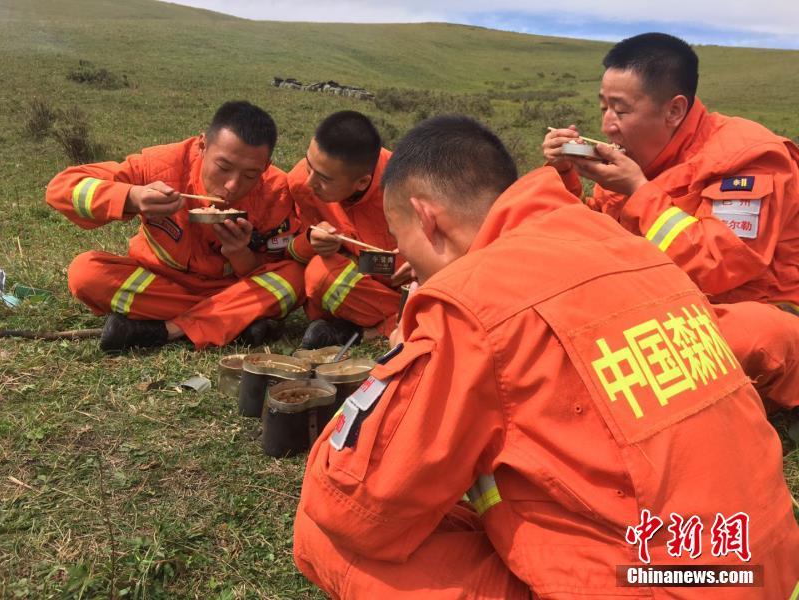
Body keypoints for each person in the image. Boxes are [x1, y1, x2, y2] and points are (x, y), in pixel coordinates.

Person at [293, 115, 799, 598]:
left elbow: (352, 506)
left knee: (326, 533)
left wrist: (404, 356)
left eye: (406, 244)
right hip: (767, 565)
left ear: (427, 220)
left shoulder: (476, 302)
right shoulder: (626, 245)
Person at [542, 32, 799, 409]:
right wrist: (565, 175)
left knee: (757, 333)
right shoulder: (639, 159)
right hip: (666, 307)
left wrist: (638, 191)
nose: (609, 125)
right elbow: (591, 240)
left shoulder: (747, 158)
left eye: (621, 110)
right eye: (604, 109)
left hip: (754, 309)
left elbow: (721, 265)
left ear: (674, 110)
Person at [46, 100, 304, 352]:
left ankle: (169, 330)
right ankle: (235, 320)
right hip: (160, 284)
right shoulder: (161, 165)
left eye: (250, 175)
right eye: (223, 167)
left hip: (230, 287)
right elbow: (62, 187)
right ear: (202, 145)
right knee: (86, 273)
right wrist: (132, 197)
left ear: (266, 167)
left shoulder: (277, 193)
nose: (232, 186)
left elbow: (270, 267)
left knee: (295, 278)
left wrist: (239, 253)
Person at [285, 111, 410, 350]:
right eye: (309, 166)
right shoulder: (301, 183)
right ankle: (399, 323)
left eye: (322, 178)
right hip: (358, 285)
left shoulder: (407, 188)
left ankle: (366, 331)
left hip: (406, 285)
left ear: (362, 182)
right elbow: (293, 251)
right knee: (319, 273)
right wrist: (311, 240)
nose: (310, 182)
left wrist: (420, 261)